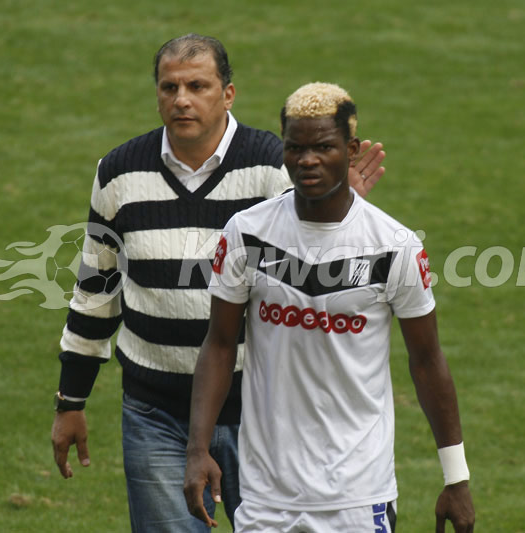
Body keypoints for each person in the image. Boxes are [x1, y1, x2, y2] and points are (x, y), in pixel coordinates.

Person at [49, 36, 386, 532]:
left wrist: (340, 214)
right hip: (155, 413)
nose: (181, 99)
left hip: (264, 416)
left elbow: (318, 287)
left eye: (197, 86)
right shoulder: (118, 172)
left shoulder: (275, 168)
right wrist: (71, 401)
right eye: (169, 87)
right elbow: (97, 293)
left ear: (228, 94)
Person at [184, 82, 475, 532]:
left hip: (358, 497)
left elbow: (427, 360)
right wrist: (197, 449)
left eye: (323, 147)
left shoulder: (393, 245)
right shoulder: (247, 232)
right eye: (295, 147)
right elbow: (220, 345)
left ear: (351, 149)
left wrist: (456, 478)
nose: (307, 160)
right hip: (265, 496)